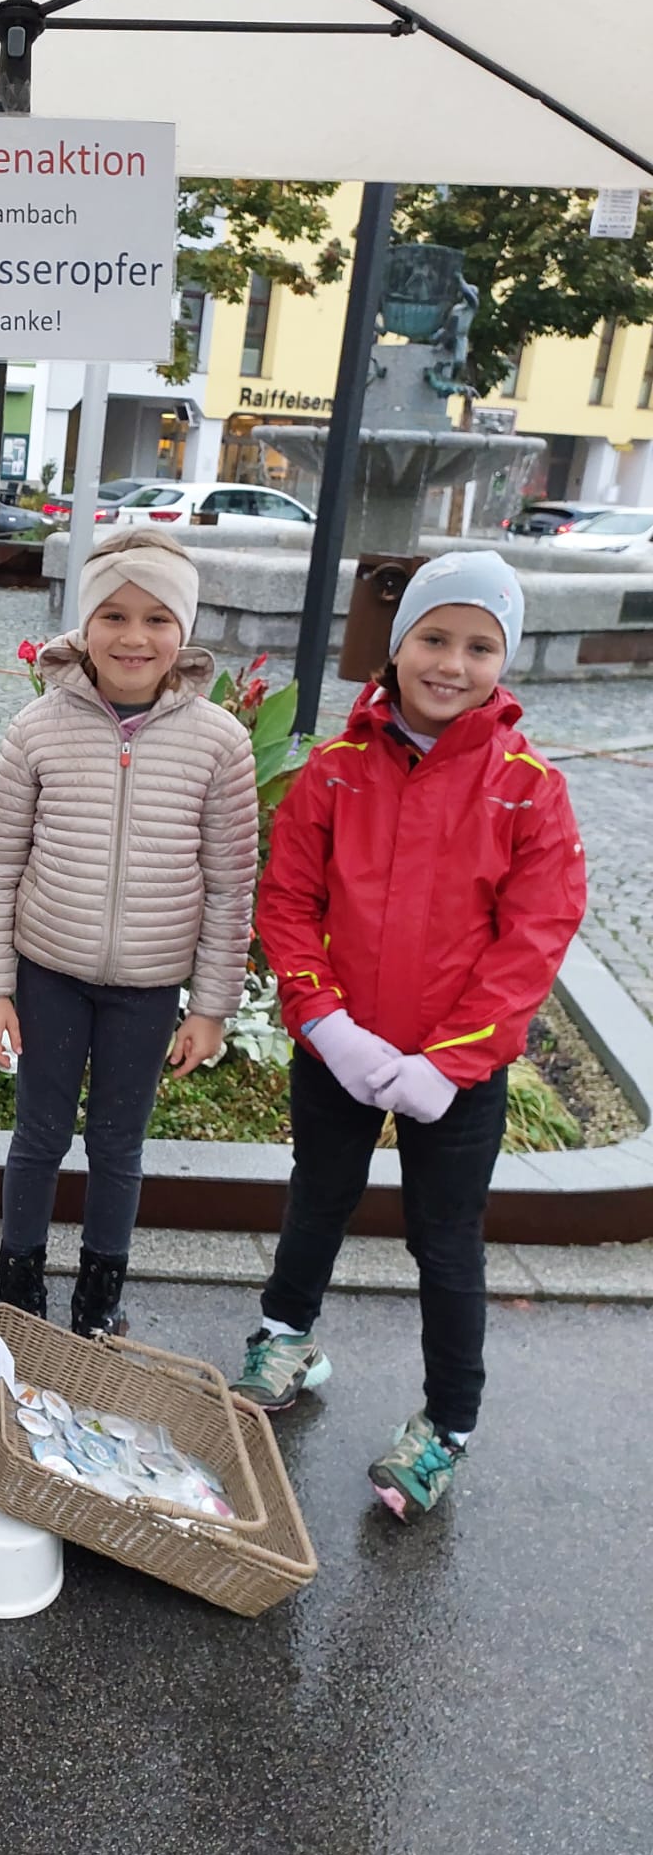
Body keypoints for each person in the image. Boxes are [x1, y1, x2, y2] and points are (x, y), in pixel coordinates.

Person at [231, 551, 586, 1520]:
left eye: (480, 645)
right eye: (434, 637)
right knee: (318, 1199)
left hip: (454, 1077)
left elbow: (536, 933)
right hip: (340, 1047)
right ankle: (285, 1336)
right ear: (397, 646)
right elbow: (290, 900)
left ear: (503, 660)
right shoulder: (335, 774)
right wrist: (325, 1019)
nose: (452, 662)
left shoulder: (528, 787)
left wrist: (454, 1059)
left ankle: (447, 1424)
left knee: (446, 1243)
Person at [0, 528, 258, 1339]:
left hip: (149, 984)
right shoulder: (38, 728)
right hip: (50, 971)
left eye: (158, 619)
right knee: (38, 1135)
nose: (135, 637)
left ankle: (100, 1300)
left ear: (184, 631)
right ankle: (20, 1292)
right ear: (84, 624)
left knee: (118, 1147)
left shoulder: (219, 743)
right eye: (115, 615)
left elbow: (231, 882)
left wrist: (211, 1004)